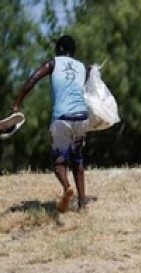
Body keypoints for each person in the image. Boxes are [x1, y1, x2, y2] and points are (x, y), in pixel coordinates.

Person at [11, 35, 91, 213]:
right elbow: (87, 84)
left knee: (59, 161)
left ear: (61, 49)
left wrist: (17, 103)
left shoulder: (53, 63)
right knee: (77, 158)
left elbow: (33, 79)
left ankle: (67, 187)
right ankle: (83, 202)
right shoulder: (82, 67)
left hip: (62, 117)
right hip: (82, 117)